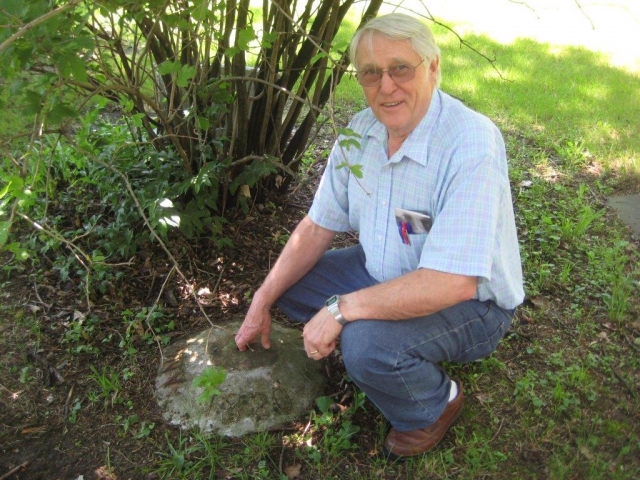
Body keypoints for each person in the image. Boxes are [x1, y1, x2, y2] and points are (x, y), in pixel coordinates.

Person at [235, 12, 524, 458]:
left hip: (472, 305)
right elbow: (315, 227)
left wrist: (341, 310)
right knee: (287, 286)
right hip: (381, 270)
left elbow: (454, 281)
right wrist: (261, 299)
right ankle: (368, 326)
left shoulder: (471, 145)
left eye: (400, 69)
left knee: (365, 344)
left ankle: (433, 404)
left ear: (432, 67)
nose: (386, 87)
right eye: (371, 73)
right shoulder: (359, 133)